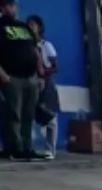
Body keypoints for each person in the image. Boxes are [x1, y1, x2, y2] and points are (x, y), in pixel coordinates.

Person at [0, 0, 41, 160]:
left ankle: (27, 147)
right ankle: (16, 148)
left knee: (28, 115)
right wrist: (2, 74)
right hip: (12, 77)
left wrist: (40, 74)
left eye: (14, 5)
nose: (13, 8)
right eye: (9, 5)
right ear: (2, 8)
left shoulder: (23, 27)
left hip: (31, 77)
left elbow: (34, 50)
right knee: (14, 115)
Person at [26, 14, 57, 159]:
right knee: (29, 116)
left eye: (33, 25)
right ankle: (28, 147)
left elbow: (56, 67)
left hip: (45, 83)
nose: (30, 27)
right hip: (30, 82)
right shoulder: (26, 46)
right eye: (29, 25)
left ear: (39, 27)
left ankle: (50, 149)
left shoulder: (46, 45)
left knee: (50, 116)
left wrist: (44, 75)